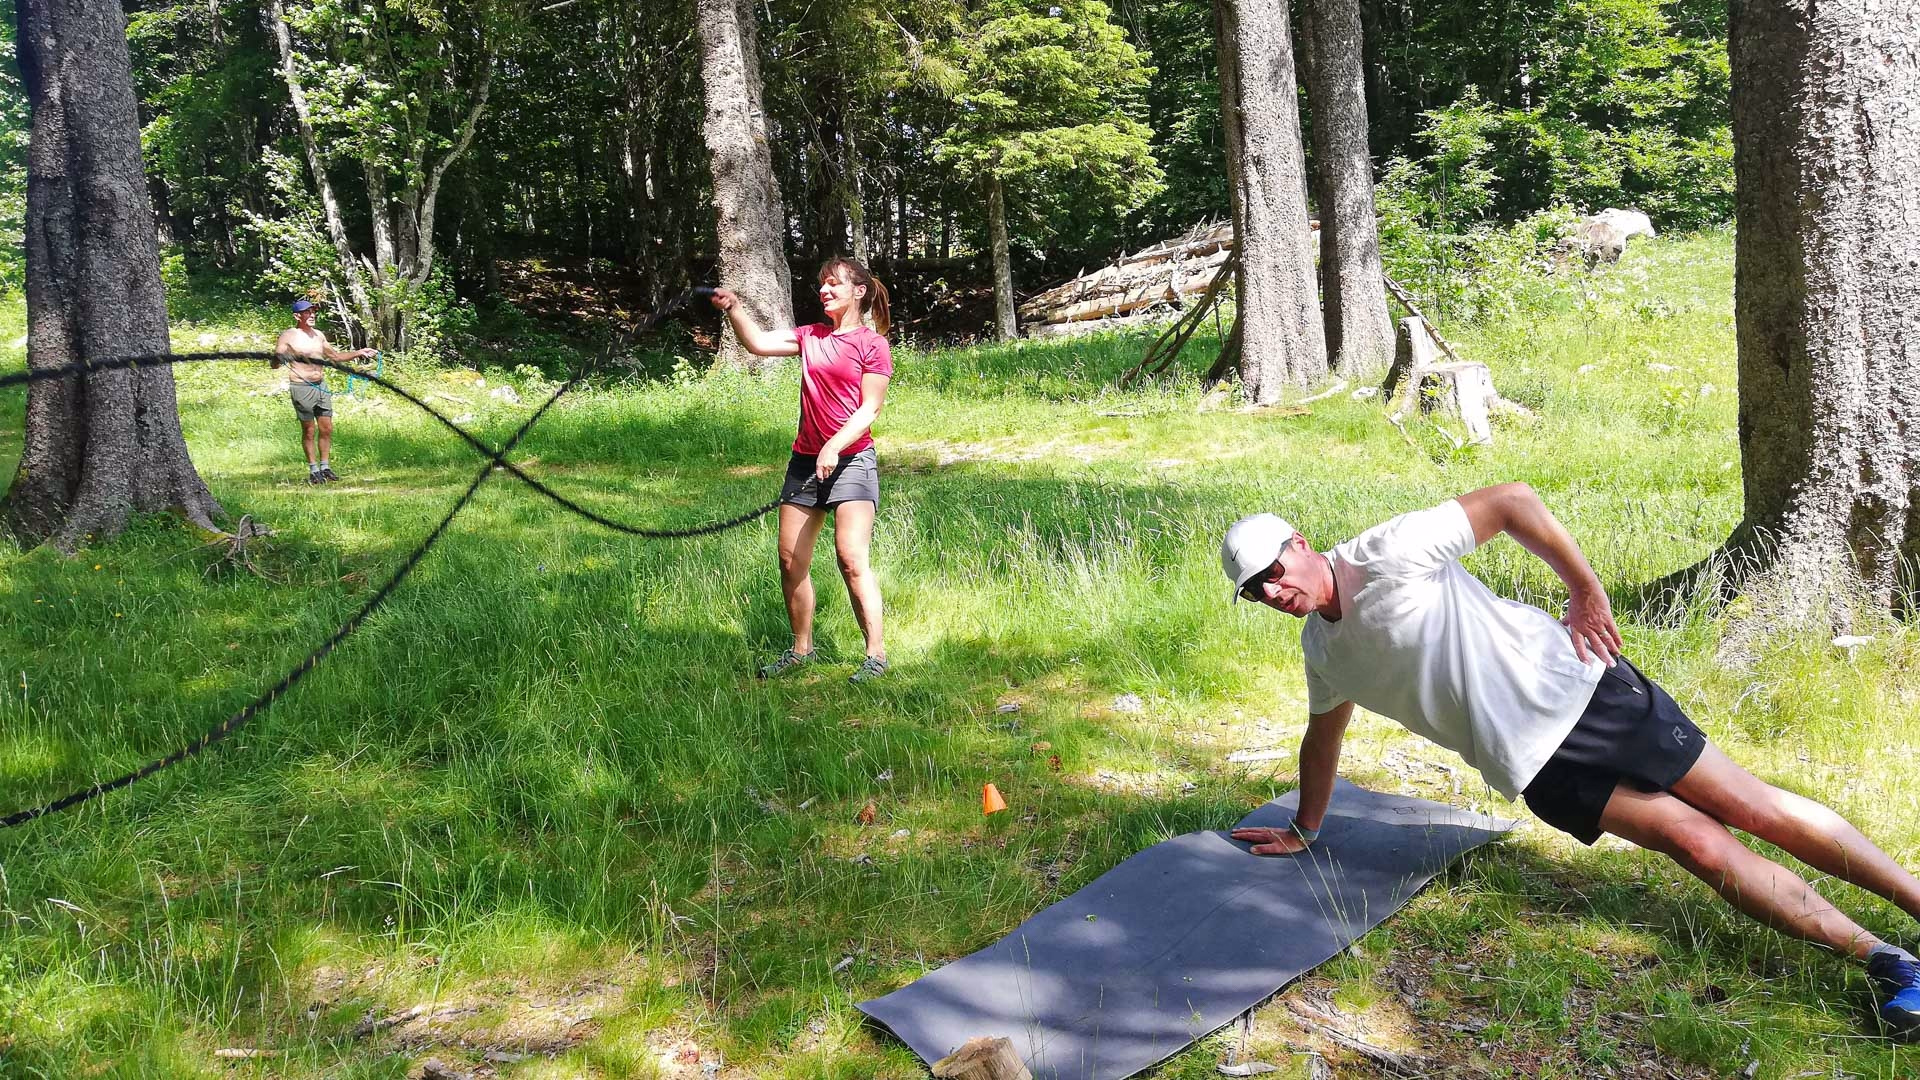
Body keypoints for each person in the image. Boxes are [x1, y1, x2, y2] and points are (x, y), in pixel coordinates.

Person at [1220, 482, 1920, 1039]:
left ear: (1300, 543)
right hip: (1536, 768)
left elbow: (1511, 500)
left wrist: (1584, 589)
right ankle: (1890, 962)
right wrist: (1306, 827)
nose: (1273, 593)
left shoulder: (1387, 552)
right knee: (1699, 848)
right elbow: (1323, 736)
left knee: (1751, 808)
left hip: (1583, 694)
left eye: (1273, 573)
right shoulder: (1324, 651)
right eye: (1255, 591)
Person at [711, 258, 895, 683]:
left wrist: (834, 445)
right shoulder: (810, 336)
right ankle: (801, 650)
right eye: (822, 285)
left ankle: (876, 654)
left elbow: (870, 408)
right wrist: (734, 307)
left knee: (851, 559)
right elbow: (758, 344)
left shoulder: (872, 344)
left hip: (852, 461)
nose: (824, 291)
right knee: (790, 560)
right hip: (805, 463)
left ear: (859, 291)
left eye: (834, 284)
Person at [273, 298, 374, 484]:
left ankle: (325, 467)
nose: (312, 315)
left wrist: (359, 352)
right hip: (301, 386)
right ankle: (314, 470)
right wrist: (279, 358)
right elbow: (275, 362)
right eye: (307, 312)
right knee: (309, 430)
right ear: (297, 316)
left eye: (313, 312)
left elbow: (335, 356)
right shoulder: (288, 335)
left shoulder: (318, 335)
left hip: (321, 386)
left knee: (326, 428)